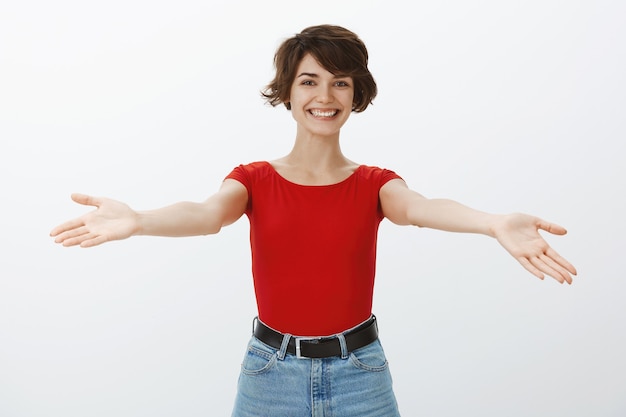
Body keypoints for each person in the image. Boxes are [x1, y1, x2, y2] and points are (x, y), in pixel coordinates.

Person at [50, 24, 577, 417]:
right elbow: (207, 214)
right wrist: (139, 219)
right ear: (288, 91)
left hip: (361, 374)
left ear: (356, 94)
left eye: (340, 83)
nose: (324, 97)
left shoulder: (374, 184)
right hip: (268, 373)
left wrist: (492, 222)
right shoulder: (254, 179)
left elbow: (421, 207)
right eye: (309, 81)